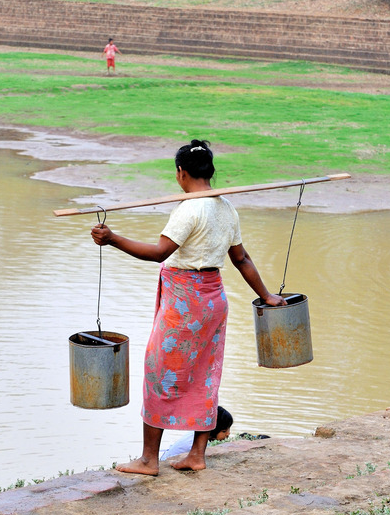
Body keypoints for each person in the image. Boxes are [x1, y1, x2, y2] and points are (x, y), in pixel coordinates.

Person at [91, 139, 285, 475]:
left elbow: (158, 252)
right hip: (213, 301)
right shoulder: (226, 208)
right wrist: (266, 295)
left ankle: (149, 460)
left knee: (159, 373)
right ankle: (197, 454)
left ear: (181, 173)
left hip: (185, 306)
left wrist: (113, 239)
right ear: (210, 171)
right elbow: (241, 259)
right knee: (205, 376)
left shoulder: (190, 209)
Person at [160, 406, 233, 460]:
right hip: (167, 460)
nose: (228, 433)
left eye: (229, 429)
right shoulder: (198, 440)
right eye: (224, 431)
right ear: (213, 430)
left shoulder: (199, 432)